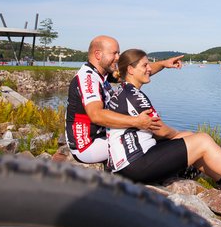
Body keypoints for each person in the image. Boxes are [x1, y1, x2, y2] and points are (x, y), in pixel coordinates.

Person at [107, 48, 221, 196]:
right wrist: (175, 134)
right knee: (201, 140)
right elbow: (160, 130)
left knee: (189, 137)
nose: (149, 68)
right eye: (145, 65)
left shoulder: (121, 89)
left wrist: (180, 136)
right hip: (136, 166)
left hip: (127, 163)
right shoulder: (135, 97)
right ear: (130, 69)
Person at [65, 35, 183, 164]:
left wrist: (163, 64)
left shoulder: (102, 74)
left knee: (155, 134)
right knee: (149, 135)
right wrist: (136, 122)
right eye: (114, 53)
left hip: (102, 135)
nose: (118, 58)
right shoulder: (87, 78)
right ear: (98, 54)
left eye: (119, 53)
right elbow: (96, 115)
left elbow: (137, 72)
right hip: (88, 146)